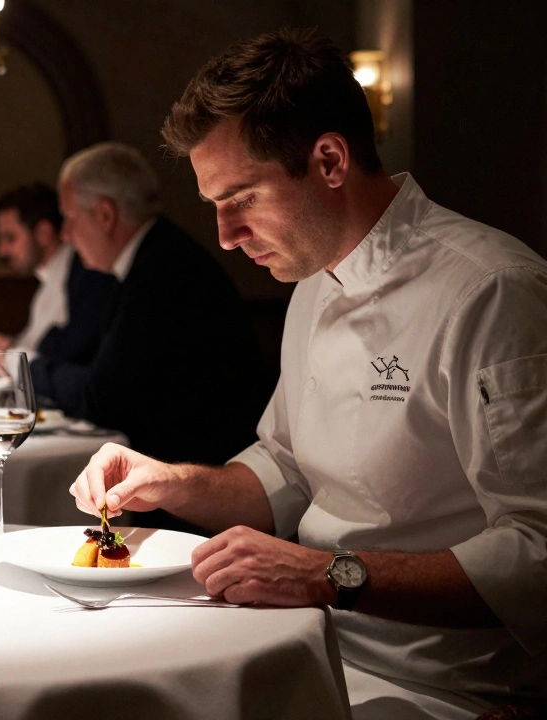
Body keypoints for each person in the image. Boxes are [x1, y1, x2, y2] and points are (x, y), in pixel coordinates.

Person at [72, 28, 547, 718]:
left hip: (445, 689)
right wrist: (173, 482)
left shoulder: (491, 291)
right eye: (214, 208)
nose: (226, 237)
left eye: (242, 199)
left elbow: (538, 556)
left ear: (328, 160)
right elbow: (287, 470)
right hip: (302, 638)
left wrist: (329, 575)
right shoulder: (312, 281)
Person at [34, 142, 271, 467]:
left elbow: (102, 398)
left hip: (211, 476)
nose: (65, 234)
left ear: (105, 215)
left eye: (70, 218)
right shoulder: (153, 256)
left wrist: (29, 368)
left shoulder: (161, 271)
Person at [0, 183, 119, 365]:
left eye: (10, 238)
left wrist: (2, 350)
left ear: (43, 233)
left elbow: (64, 360)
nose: (1, 250)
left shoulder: (86, 276)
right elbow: (32, 347)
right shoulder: (48, 278)